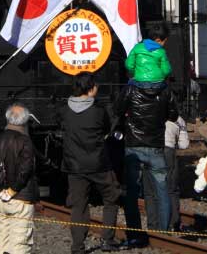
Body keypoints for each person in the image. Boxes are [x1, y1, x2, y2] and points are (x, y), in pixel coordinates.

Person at [115, 69, 180, 246]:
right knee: (162, 190)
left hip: (133, 146)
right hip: (156, 146)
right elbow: (174, 115)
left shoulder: (129, 89)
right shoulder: (165, 89)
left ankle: (135, 233)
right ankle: (163, 233)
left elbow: (117, 109)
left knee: (131, 192)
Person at [58, 73, 121, 254]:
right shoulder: (99, 111)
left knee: (79, 205)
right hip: (98, 163)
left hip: (74, 164)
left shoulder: (64, 110)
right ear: (91, 87)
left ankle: (77, 246)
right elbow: (108, 128)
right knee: (111, 196)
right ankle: (107, 239)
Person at [0, 103, 39, 254]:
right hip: (21, 198)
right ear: (24, 121)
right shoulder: (25, 141)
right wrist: (12, 190)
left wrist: (0, 192)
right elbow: (26, 170)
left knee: (1, 239)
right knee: (20, 243)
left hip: (0, 199)